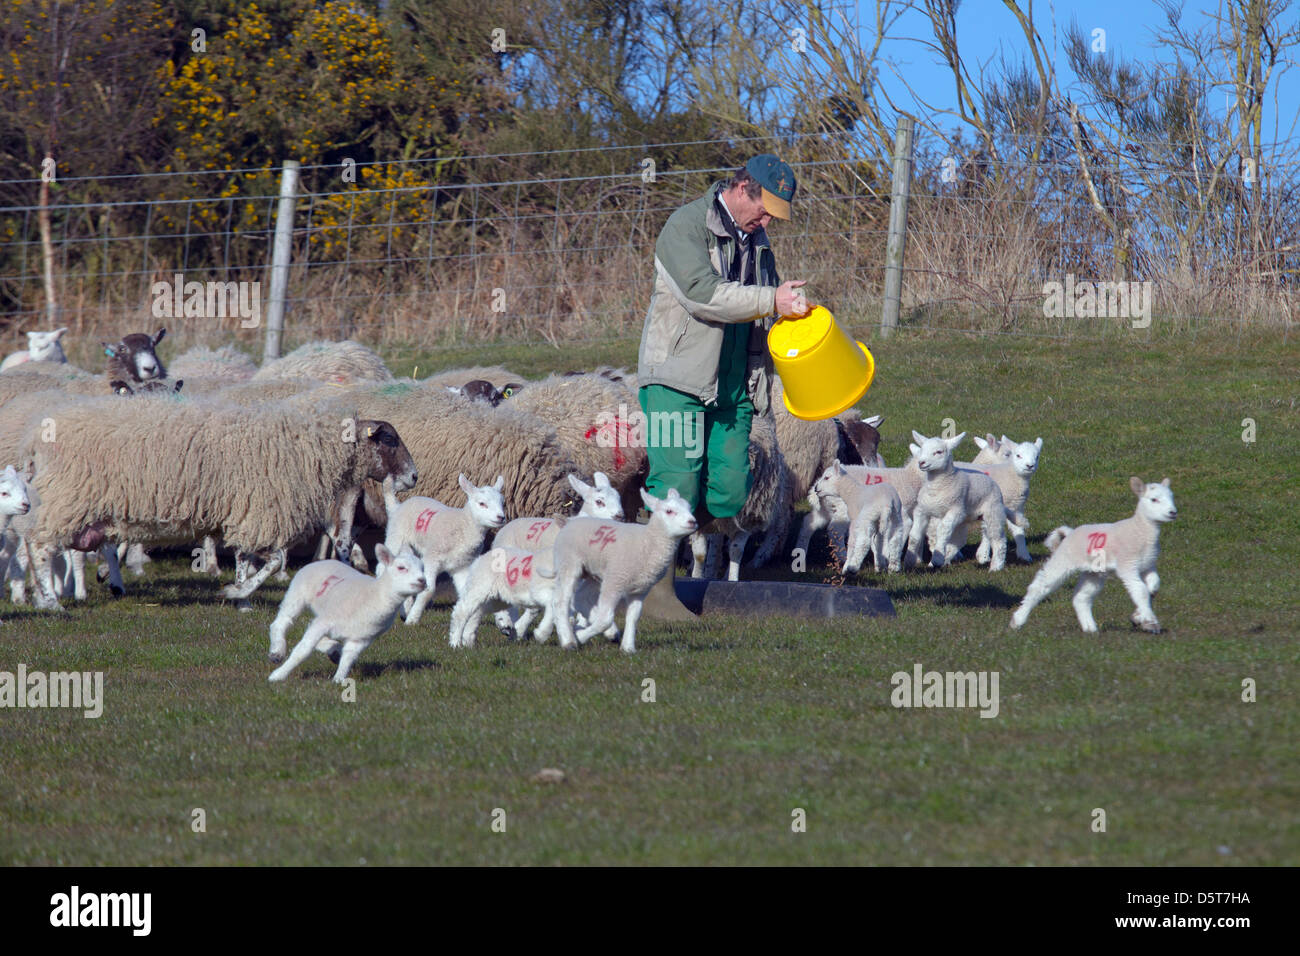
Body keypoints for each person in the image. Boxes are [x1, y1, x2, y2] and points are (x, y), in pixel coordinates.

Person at [637, 153, 808, 532]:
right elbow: (702, 293)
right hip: (676, 380)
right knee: (675, 487)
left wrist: (791, 314)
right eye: (765, 212)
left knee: (730, 492)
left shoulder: (758, 240)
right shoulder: (685, 226)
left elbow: (764, 303)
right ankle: (655, 584)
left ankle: (685, 545)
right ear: (744, 188)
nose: (767, 223)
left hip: (733, 384)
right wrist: (769, 299)